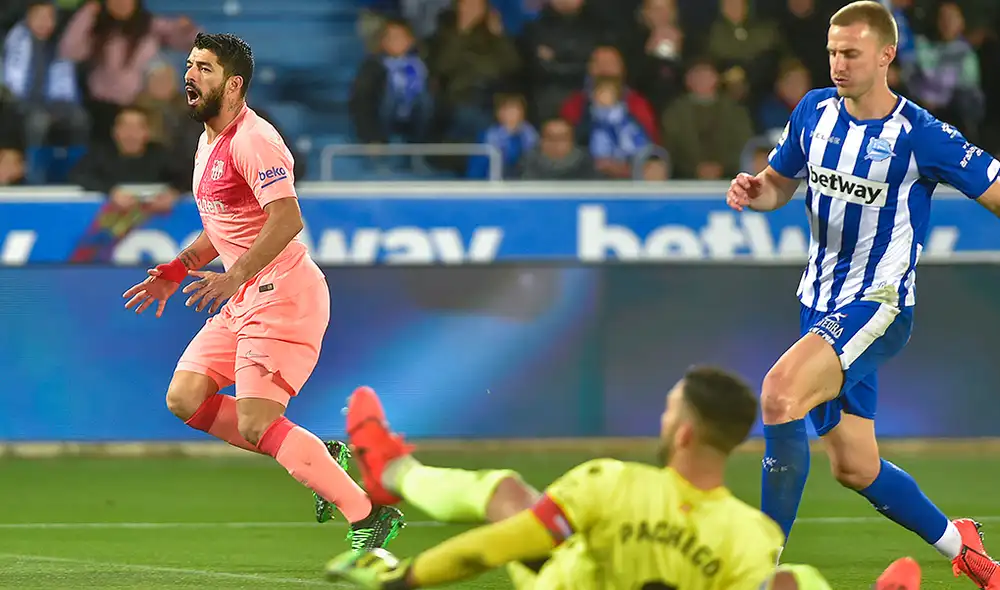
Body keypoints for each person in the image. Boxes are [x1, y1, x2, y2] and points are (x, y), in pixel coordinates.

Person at [724, 1, 1000, 587]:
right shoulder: (813, 112)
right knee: (855, 466)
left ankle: (755, 568)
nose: (838, 64)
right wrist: (756, 190)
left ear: (885, 55)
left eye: (850, 53)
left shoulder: (921, 135)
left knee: (778, 394)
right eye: (832, 52)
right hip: (819, 302)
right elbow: (779, 185)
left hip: (879, 304)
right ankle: (965, 547)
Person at [119, 32, 404, 553]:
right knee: (184, 398)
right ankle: (319, 454)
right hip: (247, 295)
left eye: (203, 68)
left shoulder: (255, 140)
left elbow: (287, 217)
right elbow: (224, 226)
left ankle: (368, 513)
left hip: (282, 293)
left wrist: (234, 275)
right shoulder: (209, 141)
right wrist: (178, 269)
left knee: (255, 423)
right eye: (188, 65)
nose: (189, 75)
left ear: (233, 84)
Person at [327, 368, 786, 588]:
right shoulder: (754, 537)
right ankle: (392, 471)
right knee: (508, 492)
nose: (662, 421)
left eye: (668, 411)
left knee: (508, 497)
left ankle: (395, 471)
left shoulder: (611, 482)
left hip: (557, 580)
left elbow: (493, 547)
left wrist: (403, 580)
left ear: (683, 433)